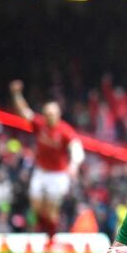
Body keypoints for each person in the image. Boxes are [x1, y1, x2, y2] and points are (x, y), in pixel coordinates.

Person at [9, 79, 84, 237]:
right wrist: (16, 94)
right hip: (41, 171)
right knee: (35, 206)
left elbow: (76, 147)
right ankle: (43, 230)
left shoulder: (64, 130)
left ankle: (51, 237)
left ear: (58, 114)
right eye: (47, 114)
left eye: (52, 114)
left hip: (58, 174)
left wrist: (74, 165)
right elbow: (24, 112)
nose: (49, 116)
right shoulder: (40, 125)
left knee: (51, 211)